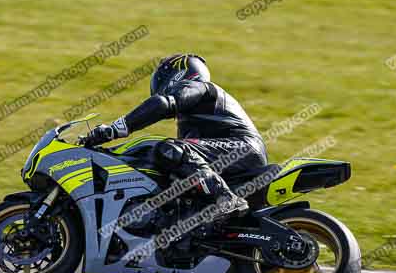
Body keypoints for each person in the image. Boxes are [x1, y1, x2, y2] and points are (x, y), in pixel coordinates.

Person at [84, 53, 268, 216]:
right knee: (163, 157)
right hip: (233, 154)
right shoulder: (191, 119)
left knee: (170, 149)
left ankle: (227, 200)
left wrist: (114, 130)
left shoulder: (201, 87)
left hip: (243, 147)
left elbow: (163, 104)